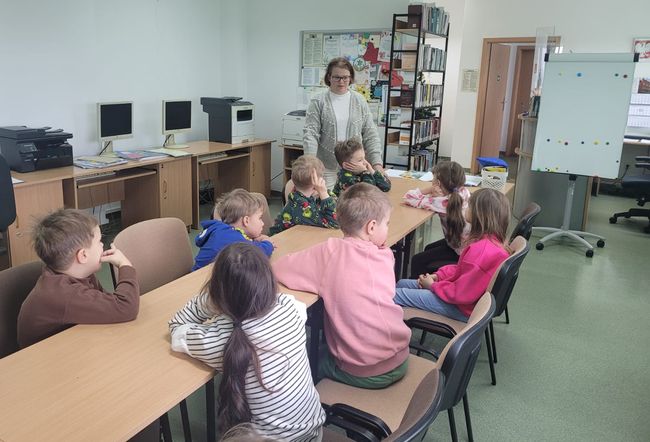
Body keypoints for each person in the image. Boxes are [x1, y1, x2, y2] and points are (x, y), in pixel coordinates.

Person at [169, 243, 325, 440]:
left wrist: (210, 301)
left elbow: (177, 328)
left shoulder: (219, 340)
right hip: (312, 433)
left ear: (217, 292)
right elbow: (286, 302)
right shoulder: (290, 310)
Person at [273, 183, 411, 389]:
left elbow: (280, 268)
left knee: (306, 359)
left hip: (365, 371)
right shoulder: (385, 255)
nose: (388, 229)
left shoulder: (330, 252)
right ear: (371, 227)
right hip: (400, 356)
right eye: (387, 224)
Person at [17, 208, 139, 349]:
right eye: (99, 241)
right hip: (43, 357)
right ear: (83, 256)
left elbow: (107, 305)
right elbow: (125, 307)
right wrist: (125, 265)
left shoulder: (79, 274)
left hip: (69, 344)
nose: (102, 245)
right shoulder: (64, 294)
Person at [394, 188, 511, 322]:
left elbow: (461, 293)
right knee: (402, 283)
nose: (466, 207)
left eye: (470, 205)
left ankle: (392, 330)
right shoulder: (489, 243)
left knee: (395, 295)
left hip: (461, 308)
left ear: (480, 214)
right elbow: (461, 270)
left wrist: (432, 286)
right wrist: (438, 276)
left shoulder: (481, 250)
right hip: (462, 300)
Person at [303, 57, 385, 189]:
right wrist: (310, 162)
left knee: (354, 200)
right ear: (329, 77)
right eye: (337, 77)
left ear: (350, 78)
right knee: (327, 200)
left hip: (355, 167)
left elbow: (370, 134)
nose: (341, 82)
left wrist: (377, 164)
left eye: (345, 77)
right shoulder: (318, 101)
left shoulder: (359, 100)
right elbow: (310, 135)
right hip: (326, 167)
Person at [403, 161, 471, 278]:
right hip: (466, 247)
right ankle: (429, 279)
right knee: (428, 248)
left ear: (438, 183)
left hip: (460, 253)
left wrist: (430, 190)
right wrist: (436, 195)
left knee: (417, 260)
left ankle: (418, 285)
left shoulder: (441, 203)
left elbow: (408, 197)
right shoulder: (463, 193)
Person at [193, 188, 273, 270]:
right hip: (204, 277)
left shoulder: (223, 232)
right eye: (259, 218)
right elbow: (259, 253)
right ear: (246, 221)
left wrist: (253, 240)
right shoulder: (232, 237)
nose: (262, 223)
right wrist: (267, 243)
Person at [269, 155, 338, 235]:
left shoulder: (299, 195)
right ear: (316, 184)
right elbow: (335, 223)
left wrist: (323, 193)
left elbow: (339, 207)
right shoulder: (300, 206)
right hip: (281, 240)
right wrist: (323, 193)